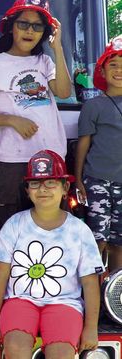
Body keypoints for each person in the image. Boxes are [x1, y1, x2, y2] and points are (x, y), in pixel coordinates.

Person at [0, 150, 103, 358]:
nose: (42, 189)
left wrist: (91, 327)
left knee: (62, 354)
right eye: (35, 183)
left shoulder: (80, 231)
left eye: (50, 183)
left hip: (65, 303)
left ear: (65, 188)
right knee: (15, 347)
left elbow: (90, 283)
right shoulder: (15, 224)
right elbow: (0, 275)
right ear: (27, 190)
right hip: (19, 301)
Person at [0, 0, 72, 234]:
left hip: (52, 155)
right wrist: (11, 120)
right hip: (13, 159)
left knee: (52, 227)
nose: (30, 31)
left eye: (38, 26)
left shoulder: (45, 62)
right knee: (10, 227)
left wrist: (58, 48)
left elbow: (63, 91)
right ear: (11, 27)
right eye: (24, 24)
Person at [75, 35, 122, 272]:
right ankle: (92, 292)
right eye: (113, 64)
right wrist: (79, 179)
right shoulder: (93, 106)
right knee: (98, 240)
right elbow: (84, 144)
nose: (119, 70)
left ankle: (114, 297)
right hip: (97, 182)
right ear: (102, 71)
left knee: (118, 243)